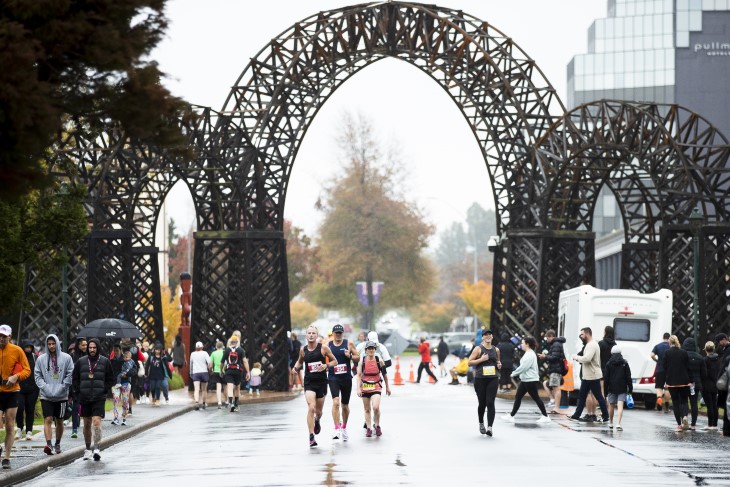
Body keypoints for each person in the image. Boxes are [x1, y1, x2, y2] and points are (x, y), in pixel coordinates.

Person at [292, 325, 338, 447]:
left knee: (318, 412)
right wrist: (295, 367)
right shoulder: (303, 350)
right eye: (309, 333)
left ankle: (317, 420)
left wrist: (326, 366)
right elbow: (300, 361)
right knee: (311, 408)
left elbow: (335, 361)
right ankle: (311, 436)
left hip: (321, 382)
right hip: (309, 382)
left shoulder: (323, 348)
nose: (311, 335)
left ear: (316, 336)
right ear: (306, 335)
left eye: (313, 333)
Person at [72, 338, 113, 461]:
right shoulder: (81, 361)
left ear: (98, 348)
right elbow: (75, 378)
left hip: (99, 397)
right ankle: (87, 448)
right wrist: (79, 391)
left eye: (94, 348)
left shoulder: (105, 362)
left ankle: (97, 448)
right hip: (84, 397)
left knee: (96, 421)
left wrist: (104, 389)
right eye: (90, 348)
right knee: (86, 423)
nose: (92, 350)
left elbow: (111, 379)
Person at [34, 334, 74, 455]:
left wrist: (63, 387)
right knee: (48, 419)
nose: (51, 346)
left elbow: (70, 373)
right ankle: (49, 444)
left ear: (57, 343)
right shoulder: (41, 359)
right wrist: (45, 387)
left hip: (61, 395)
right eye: (49, 344)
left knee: (59, 420)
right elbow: (37, 375)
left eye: (53, 343)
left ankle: (57, 443)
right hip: (46, 395)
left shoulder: (66, 358)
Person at [0, 325, 32, 469]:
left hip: (12, 391)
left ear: (10, 337)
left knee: (10, 425)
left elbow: (27, 370)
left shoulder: (17, 350)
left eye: (4, 336)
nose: (1, 339)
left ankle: (6, 457)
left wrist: (16, 377)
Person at [502, 336, 550, 425]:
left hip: (530, 380)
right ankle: (511, 416)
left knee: (536, 398)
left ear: (527, 344)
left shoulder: (530, 354)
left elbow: (524, 367)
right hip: (526, 380)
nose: (521, 345)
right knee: (518, 397)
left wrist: (513, 373)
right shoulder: (528, 353)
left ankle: (545, 416)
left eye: (522, 343)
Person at [569, 327, 610, 423]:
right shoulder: (589, 344)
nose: (581, 336)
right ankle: (576, 415)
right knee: (582, 396)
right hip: (588, 375)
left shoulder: (592, 345)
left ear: (587, 334)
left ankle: (606, 416)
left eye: (582, 334)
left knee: (598, 396)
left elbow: (587, 358)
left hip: (592, 375)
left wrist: (576, 357)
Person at [469, 329, 503, 435]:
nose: (488, 336)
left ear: (492, 337)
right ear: (482, 337)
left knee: (490, 402)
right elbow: (469, 362)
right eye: (486, 335)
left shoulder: (496, 349)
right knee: (482, 403)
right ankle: (481, 423)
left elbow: (498, 361)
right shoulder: (478, 349)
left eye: (490, 335)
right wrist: (481, 360)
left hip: (493, 378)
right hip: (480, 379)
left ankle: (490, 428)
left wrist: (499, 365)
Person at [327, 323, 358, 441]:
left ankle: (344, 427)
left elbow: (358, 357)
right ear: (333, 334)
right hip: (333, 377)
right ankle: (336, 428)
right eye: (336, 333)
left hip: (346, 378)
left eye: (340, 333)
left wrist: (349, 355)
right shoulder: (328, 345)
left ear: (343, 334)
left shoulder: (348, 343)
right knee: (335, 402)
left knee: (345, 405)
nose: (338, 335)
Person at [355, 341, 391, 438]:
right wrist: (358, 389)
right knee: (367, 409)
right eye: (369, 348)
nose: (371, 350)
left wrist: (387, 387)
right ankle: (369, 428)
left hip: (376, 386)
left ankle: (377, 425)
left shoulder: (379, 360)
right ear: (366, 350)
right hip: (365, 387)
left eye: (372, 348)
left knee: (375, 407)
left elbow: (385, 375)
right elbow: (358, 376)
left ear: (375, 350)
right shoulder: (362, 361)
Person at [662, 335, 691, 431]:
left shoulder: (667, 353)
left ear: (669, 343)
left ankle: (679, 425)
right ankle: (685, 417)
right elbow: (688, 366)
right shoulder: (684, 352)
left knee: (675, 402)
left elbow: (664, 366)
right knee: (684, 400)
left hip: (672, 381)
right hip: (684, 381)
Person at [603, 345, 632, 431]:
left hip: (611, 387)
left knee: (611, 405)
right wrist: (630, 389)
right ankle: (618, 424)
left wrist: (605, 391)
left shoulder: (609, 363)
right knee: (620, 406)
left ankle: (611, 423)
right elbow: (628, 377)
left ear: (612, 353)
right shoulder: (624, 363)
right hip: (622, 387)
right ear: (620, 353)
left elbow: (606, 378)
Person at [537, 330, 566, 414]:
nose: (546, 340)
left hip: (555, 369)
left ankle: (556, 408)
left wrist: (545, 357)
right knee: (554, 387)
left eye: (547, 338)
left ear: (551, 336)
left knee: (556, 388)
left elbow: (555, 357)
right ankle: (555, 406)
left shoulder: (556, 344)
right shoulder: (556, 344)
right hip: (556, 369)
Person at [16, 340, 38, 442]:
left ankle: (29, 431)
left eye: (30, 347)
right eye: (26, 347)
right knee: (19, 408)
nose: (28, 349)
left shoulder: (35, 357)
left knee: (30, 409)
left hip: (33, 388)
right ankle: (20, 428)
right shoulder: (18, 357)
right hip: (19, 388)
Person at [682, 337, 707, 430]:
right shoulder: (700, 357)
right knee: (694, 403)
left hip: (684, 383)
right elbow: (704, 373)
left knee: (684, 401)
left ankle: (684, 417)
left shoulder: (683, 356)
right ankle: (693, 424)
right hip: (695, 384)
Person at [221, 335, 250, 412]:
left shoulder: (227, 350)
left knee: (230, 387)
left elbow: (222, 362)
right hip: (238, 371)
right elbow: (244, 361)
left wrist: (221, 370)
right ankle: (236, 404)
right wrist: (248, 372)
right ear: (237, 342)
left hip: (229, 370)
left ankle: (231, 403)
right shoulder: (241, 350)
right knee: (237, 388)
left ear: (231, 342)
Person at [110, 349, 135, 425]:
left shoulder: (129, 360)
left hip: (126, 383)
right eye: (115, 350)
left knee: (125, 401)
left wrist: (127, 374)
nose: (116, 352)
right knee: (116, 400)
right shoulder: (111, 360)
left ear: (120, 351)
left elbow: (134, 370)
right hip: (115, 384)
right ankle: (115, 417)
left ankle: (124, 418)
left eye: (117, 350)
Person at [68, 336, 87, 437]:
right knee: (75, 406)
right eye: (83, 345)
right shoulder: (72, 356)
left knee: (86, 407)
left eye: (86, 345)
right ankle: (74, 429)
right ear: (78, 345)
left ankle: (86, 428)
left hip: (87, 384)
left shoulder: (89, 356)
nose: (85, 347)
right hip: (76, 384)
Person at [702, 341, 723, 430]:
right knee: (715, 405)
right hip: (716, 384)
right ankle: (715, 424)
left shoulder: (705, 360)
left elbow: (704, 373)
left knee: (709, 405)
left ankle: (710, 424)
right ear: (713, 349)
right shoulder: (718, 359)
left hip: (706, 385)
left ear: (706, 349)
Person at [651, 332, 671, 412]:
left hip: (659, 369)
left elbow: (652, 355)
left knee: (659, 387)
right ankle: (666, 407)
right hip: (669, 370)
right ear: (669, 338)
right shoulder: (670, 346)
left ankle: (659, 400)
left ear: (663, 338)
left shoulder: (657, 346)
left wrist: (657, 360)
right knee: (667, 388)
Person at [190, 341, 212, 410]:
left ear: (196, 347)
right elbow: (209, 362)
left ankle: (196, 402)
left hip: (196, 373)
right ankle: (204, 403)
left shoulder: (192, 354)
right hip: (204, 372)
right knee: (204, 389)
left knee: (196, 389)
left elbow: (191, 364)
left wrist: (191, 372)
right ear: (202, 347)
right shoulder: (205, 353)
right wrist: (211, 370)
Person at [209, 340, 225, 408]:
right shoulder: (225, 352)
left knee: (218, 388)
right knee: (226, 387)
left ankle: (219, 402)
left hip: (216, 371)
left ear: (216, 347)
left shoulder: (213, 353)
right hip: (224, 371)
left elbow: (210, 364)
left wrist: (211, 370)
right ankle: (227, 401)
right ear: (223, 347)